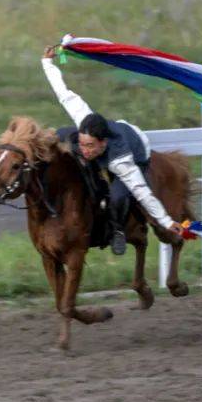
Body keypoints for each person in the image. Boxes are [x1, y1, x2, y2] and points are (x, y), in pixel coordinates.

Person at [41, 44, 183, 255]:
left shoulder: (121, 160)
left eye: (89, 146)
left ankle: (117, 230)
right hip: (107, 135)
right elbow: (63, 93)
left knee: (118, 196)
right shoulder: (84, 121)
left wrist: (166, 221)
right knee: (61, 135)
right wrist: (47, 62)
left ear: (103, 143)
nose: (84, 150)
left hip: (137, 151)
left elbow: (142, 192)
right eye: (83, 143)